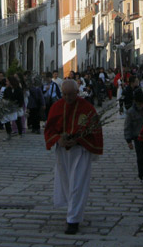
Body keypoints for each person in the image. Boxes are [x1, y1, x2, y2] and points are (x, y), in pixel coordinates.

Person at [44, 79, 104, 235]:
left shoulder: (87, 108)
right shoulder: (57, 107)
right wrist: (59, 139)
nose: (67, 98)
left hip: (80, 152)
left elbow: (94, 129)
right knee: (66, 183)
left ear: (77, 93)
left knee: (78, 184)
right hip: (63, 152)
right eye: (64, 94)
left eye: (70, 94)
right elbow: (49, 128)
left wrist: (79, 139)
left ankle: (73, 220)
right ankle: (72, 209)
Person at [124, 91, 143, 183]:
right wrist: (128, 140)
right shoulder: (131, 112)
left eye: (142, 103)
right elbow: (127, 126)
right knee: (140, 157)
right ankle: (142, 175)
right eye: (139, 104)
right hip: (138, 137)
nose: (141, 105)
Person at [0, 75, 25, 140]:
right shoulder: (7, 89)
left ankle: (20, 133)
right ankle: (9, 133)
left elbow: (21, 99)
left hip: (16, 107)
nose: (6, 83)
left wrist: (19, 106)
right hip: (9, 107)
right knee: (6, 120)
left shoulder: (18, 89)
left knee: (17, 120)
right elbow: (5, 97)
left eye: (7, 81)